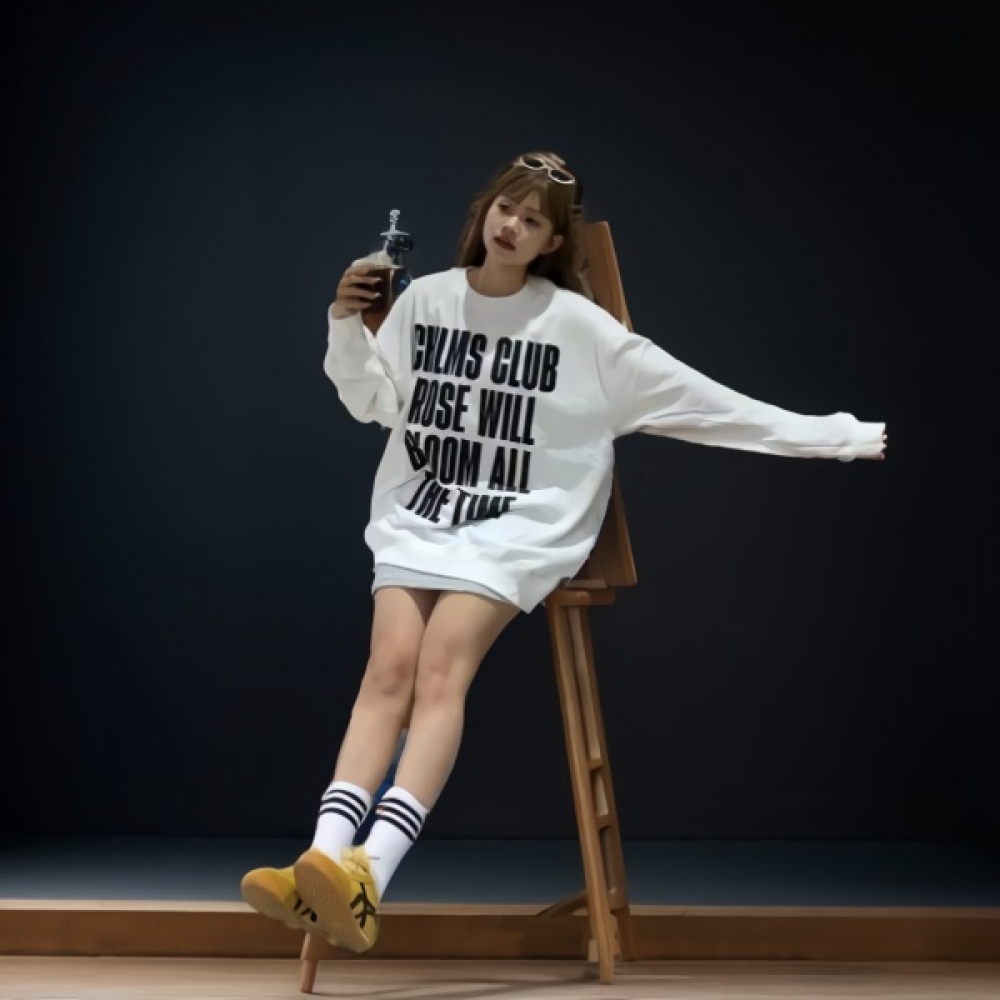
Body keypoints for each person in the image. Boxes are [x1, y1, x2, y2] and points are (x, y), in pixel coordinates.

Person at [240, 151, 887, 953]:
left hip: (517, 529)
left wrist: (838, 437)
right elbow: (373, 402)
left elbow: (705, 403)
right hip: (419, 516)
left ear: (552, 241)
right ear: (484, 213)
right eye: (506, 208)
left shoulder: (580, 330)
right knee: (387, 670)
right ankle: (320, 864)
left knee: (441, 669)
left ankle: (371, 871)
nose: (513, 225)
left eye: (533, 219)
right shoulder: (427, 300)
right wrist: (345, 324)